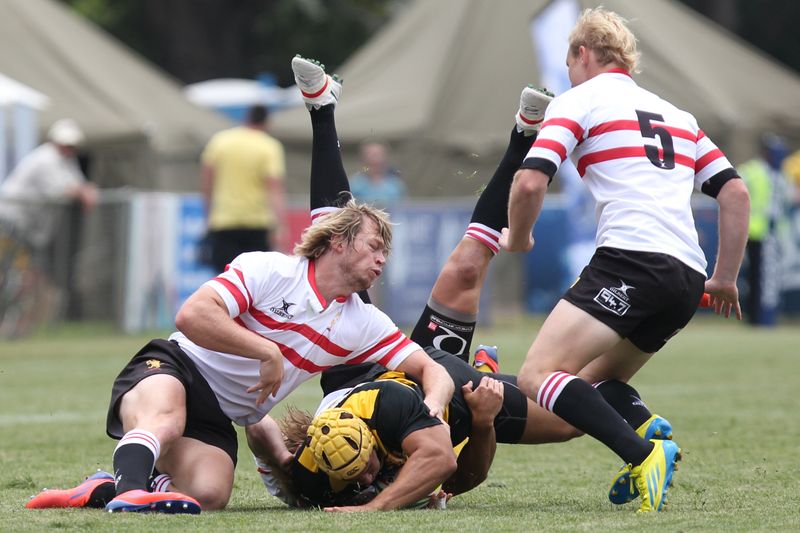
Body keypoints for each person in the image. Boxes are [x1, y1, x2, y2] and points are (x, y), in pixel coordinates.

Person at [24, 57, 454, 515]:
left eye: (386, 252)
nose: (383, 259)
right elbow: (191, 316)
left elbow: (435, 371)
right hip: (174, 365)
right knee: (165, 419)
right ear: (339, 242)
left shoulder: (362, 321)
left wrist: (431, 406)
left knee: (210, 496)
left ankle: (105, 486)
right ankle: (131, 490)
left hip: (217, 416)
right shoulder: (270, 269)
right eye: (374, 246)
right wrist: (266, 352)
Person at [251, 63, 677, 512]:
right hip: (446, 388)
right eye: (365, 477)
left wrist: (366, 505)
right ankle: (630, 410)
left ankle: (325, 109)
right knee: (564, 419)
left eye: (368, 468)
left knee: (399, 259)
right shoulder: (325, 477)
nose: (370, 475)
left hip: (374, 371)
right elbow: (467, 478)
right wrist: (484, 421)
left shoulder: (378, 414)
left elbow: (266, 434)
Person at [501, 8, 750, 513]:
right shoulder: (678, 116)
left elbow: (529, 181)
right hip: (685, 277)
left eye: (570, 63)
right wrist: (723, 277)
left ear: (582, 54)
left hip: (632, 261)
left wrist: (520, 239)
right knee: (589, 383)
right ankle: (648, 429)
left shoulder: (579, 100)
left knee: (537, 375)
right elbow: (735, 192)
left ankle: (643, 455)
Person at [201, 104, 287, 272]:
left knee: (225, 281)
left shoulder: (220, 141)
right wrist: (280, 226)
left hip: (224, 222)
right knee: (256, 282)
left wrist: (209, 214)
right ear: (266, 123)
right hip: (257, 224)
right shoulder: (269, 146)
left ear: (246, 117)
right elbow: (274, 189)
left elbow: (207, 181)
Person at [0, 118, 98, 251]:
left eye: (72, 146)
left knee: (22, 260)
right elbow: (58, 191)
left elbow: (78, 182)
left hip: (29, 223)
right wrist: (82, 192)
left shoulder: (66, 159)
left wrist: (85, 189)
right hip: (13, 219)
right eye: (67, 145)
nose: (69, 149)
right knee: (12, 259)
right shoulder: (45, 159)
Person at [738, 133, 792, 325]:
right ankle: (758, 318)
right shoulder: (753, 170)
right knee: (757, 277)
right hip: (756, 231)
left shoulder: (778, 174)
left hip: (764, 231)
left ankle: (759, 318)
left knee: (758, 277)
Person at [348, 141, 407, 207]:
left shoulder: (396, 185)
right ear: (363, 158)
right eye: (371, 154)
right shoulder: (354, 185)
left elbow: (403, 208)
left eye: (378, 154)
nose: (375, 159)